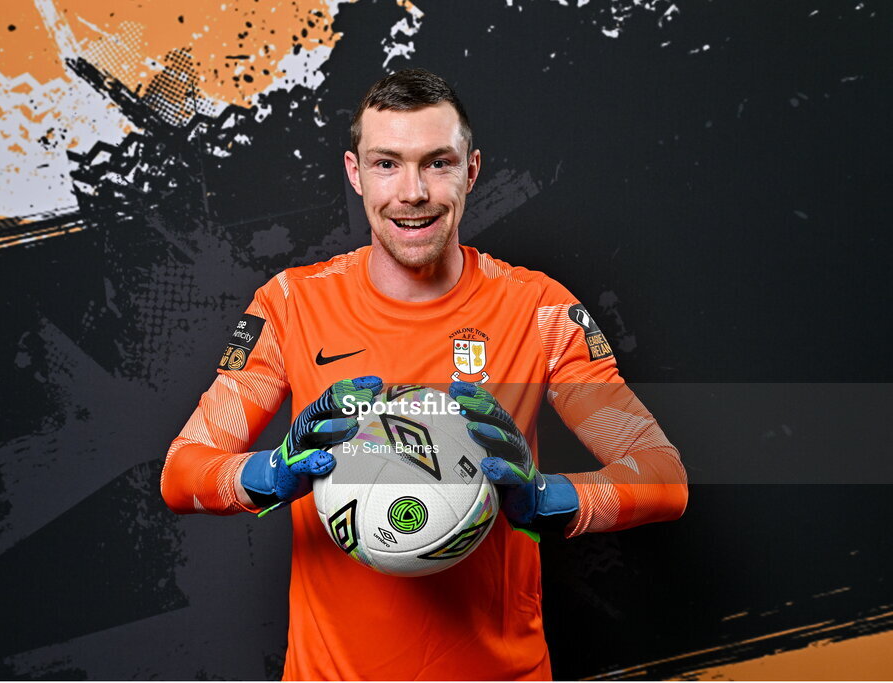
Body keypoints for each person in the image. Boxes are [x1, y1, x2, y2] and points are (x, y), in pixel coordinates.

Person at [161, 68, 688, 681]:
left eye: (438, 163)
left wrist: (547, 499)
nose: (412, 193)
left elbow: (664, 478)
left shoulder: (539, 310)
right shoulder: (290, 305)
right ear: (355, 172)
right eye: (387, 164)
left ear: (471, 170)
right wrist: (272, 472)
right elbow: (182, 473)